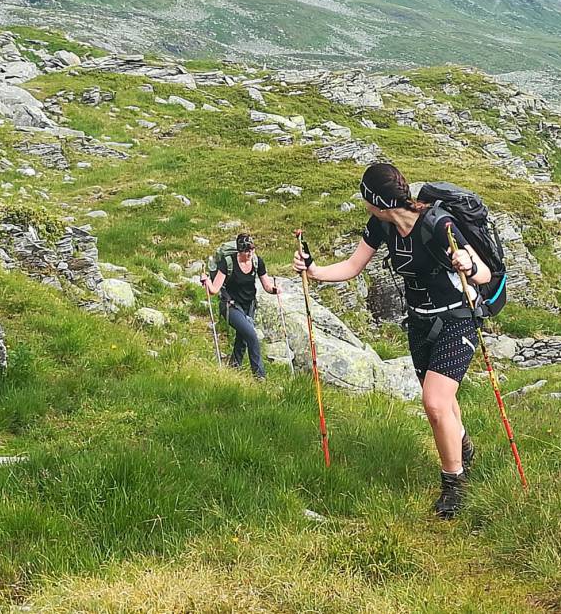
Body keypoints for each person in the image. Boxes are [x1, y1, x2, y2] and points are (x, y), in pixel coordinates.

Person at [293, 163, 491, 518]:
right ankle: (462, 448)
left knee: (434, 403)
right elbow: (353, 266)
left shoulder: (439, 225)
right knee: (443, 402)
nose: (363, 202)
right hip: (419, 323)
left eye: (365, 196)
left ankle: (454, 484)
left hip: (457, 318)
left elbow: (484, 273)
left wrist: (467, 264)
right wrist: (313, 271)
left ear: (377, 200)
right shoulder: (381, 225)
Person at [201, 233, 281, 380]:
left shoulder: (257, 262)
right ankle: (259, 376)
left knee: (243, 337)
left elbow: (267, 285)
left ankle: (234, 366)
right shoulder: (228, 263)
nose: (249, 253)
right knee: (251, 335)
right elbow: (214, 290)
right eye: (246, 250)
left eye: (252, 249)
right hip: (230, 306)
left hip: (249, 306)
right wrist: (206, 281)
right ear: (239, 250)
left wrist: (275, 290)